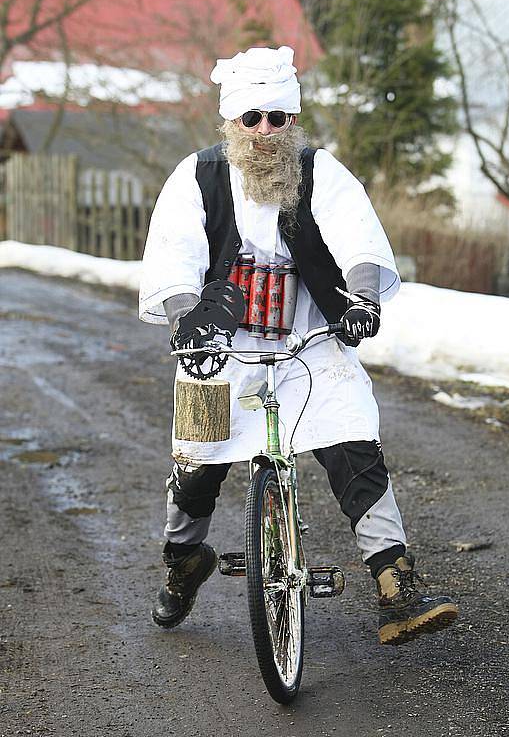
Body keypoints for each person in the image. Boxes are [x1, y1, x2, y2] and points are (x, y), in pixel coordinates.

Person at [139, 45, 458, 645]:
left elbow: (359, 238)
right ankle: (184, 566)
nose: (264, 131)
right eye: (251, 117)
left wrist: (362, 298)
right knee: (195, 475)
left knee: (353, 442)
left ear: (293, 120)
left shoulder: (319, 172)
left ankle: (396, 583)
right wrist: (188, 316)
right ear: (230, 121)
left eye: (277, 118)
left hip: (308, 340)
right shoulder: (198, 177)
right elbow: (174, 257)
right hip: (218, 348)